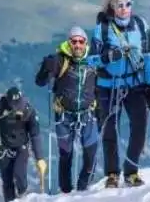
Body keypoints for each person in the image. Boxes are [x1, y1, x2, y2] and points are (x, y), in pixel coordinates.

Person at [91, 0, 150, 188]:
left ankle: (131, 171)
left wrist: (149, 83)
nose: (124, 8)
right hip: (108, 86)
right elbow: (91, 60)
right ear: (112, 6)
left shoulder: (140, 25)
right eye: (120, 5)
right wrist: (108, 57)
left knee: (140, 127)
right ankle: (112, 174)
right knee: (111, 129)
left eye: (128, 3)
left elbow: (148, 56)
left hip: (135, 85)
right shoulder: (101, 29)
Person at [35, 26, 101, 193]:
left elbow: (101, 86)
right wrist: (45, 68)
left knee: (90, 155)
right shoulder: (59, 60)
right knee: (66, 155)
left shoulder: (93, 61)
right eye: (74, 41)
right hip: (64, 116)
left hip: (88, 115)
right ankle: (65, 192)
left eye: (81, 41)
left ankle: (82, 188)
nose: (77, 45)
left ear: (85, 43)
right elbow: (40, 82)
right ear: (69, 43)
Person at [0, 87, 46, 201]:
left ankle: (23, 196)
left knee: (19, 174)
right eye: (12, 103)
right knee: (6, 180)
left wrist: (40, 158)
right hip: (2, 147)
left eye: (16, 103)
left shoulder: (28, 110)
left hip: (21, 147)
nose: (14, 106)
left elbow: (35, 134)